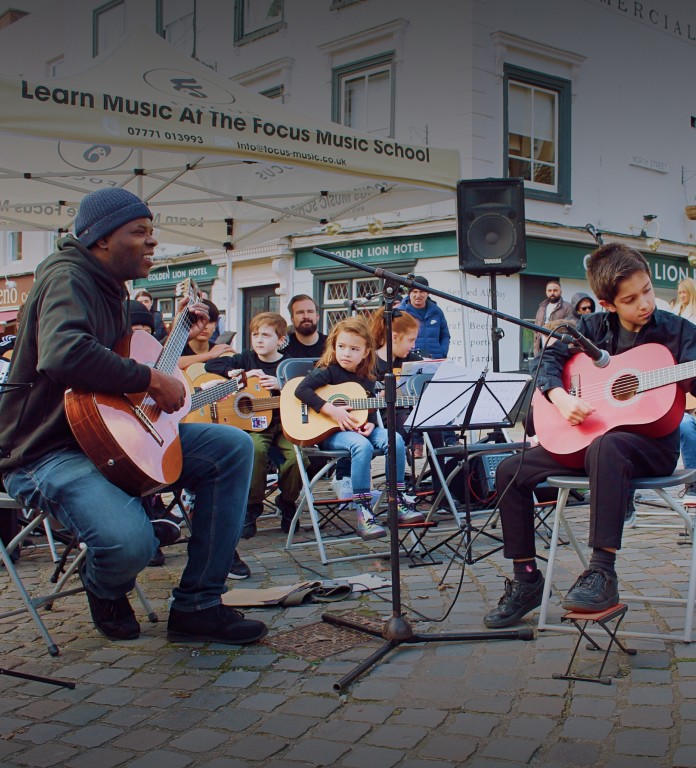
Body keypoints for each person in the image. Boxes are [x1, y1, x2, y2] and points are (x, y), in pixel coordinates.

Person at [0, 188, 267, 646]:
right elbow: (64, 353)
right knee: (132, 544)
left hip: (110, 436)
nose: (152, 243)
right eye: (139, 232)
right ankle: (104, 584)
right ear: (102, 239)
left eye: (151, 232)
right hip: (45, 451)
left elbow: (125, 359)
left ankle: (199, 606)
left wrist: (179, 328)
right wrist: (150, 379)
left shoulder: (109, 288)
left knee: (233, 448)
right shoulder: (68, 277)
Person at [483, 242, 696, 629]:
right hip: (588, 441)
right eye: (631, 299)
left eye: (647, 290)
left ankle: (602, 572)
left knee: (608, 446)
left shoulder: (679, 332)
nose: (645, 303)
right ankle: (527, 578)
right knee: (510, 470)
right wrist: (561, 398)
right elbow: (547, 362)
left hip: (650, 447)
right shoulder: (591, 328)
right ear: (608, 303)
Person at [294, 316, 424, 541]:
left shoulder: (368, 378)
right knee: (361, 446)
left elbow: (368, 408)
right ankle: (363, 510)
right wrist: (331, 410)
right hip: (330, 433)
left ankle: (399, 499)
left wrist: (370, 422)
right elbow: (301, 390)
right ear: (334, 346)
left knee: (395, 439)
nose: (346, 353)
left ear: (365, 352)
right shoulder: (328, 371)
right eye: (341, 347)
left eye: (354, 349)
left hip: (358, 429)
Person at [205, 311, 302, 545]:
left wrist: (283, 385)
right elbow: (211, 363)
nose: (259, 340)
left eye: (266, 335)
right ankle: (252, 506)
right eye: (255, 334)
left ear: (280, 339)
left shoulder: (287, 364)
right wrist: (241, 376)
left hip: (283, 424)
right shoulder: (245, 359)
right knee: (254, 451)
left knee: (297, 458)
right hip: (255, 427)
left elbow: (304, 387)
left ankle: (287, 502)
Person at [397, 276, 450, 360]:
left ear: (427, 293)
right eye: (414, 292)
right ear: (409, 293)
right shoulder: (401, 312)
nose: (418, 295)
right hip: (410, 361)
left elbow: (445, 335)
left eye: (421, 291)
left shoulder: (437, 311)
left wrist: (443, 353)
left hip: (435, 360)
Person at [177, 298, 235, 371]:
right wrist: (210, 355)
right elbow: (170, 364)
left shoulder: (220, 350)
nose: (204, 326)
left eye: (210, 322)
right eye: (198, 321)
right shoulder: (177, 349)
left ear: (215, 325)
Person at [532, 279, 574, 355]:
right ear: (546, 292)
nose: (552, 293)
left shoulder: (568, 307)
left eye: (555, 290)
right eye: (549, 290)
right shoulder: (541, 308)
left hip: (557, 348)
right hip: (541, 348)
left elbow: (570, 328)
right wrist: (535, 349)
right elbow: (536, 330)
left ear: (561, 292)